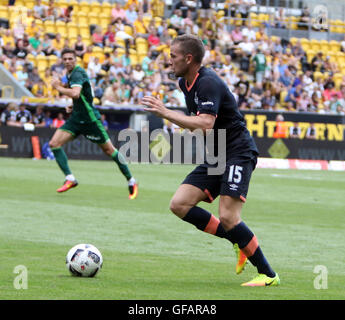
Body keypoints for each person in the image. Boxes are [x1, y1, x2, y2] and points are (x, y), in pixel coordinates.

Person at [141, 34, 279, 287]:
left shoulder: (208, 83)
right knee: (179, 204)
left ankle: (268, 275)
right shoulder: (186, 84)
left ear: (188, 58)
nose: (169, 61)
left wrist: (165, 113)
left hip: (238, 152)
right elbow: (200, 124)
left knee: (228, 215)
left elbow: (205, 123)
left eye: (173, 56)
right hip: (217, 154)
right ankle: (239, 241)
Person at [49, 48, 138, 199]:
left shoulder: (77, 73)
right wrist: (74, 105)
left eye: (70, 58)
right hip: (77, 118)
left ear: (76, 59)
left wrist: (58, 87)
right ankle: (70, 178)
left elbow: (76, 93)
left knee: (110, 151)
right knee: (54, 144)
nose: (68, 61)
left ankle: (131, 180)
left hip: (90, 120)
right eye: (65, 59)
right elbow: (82, 96)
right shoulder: (70, 75)